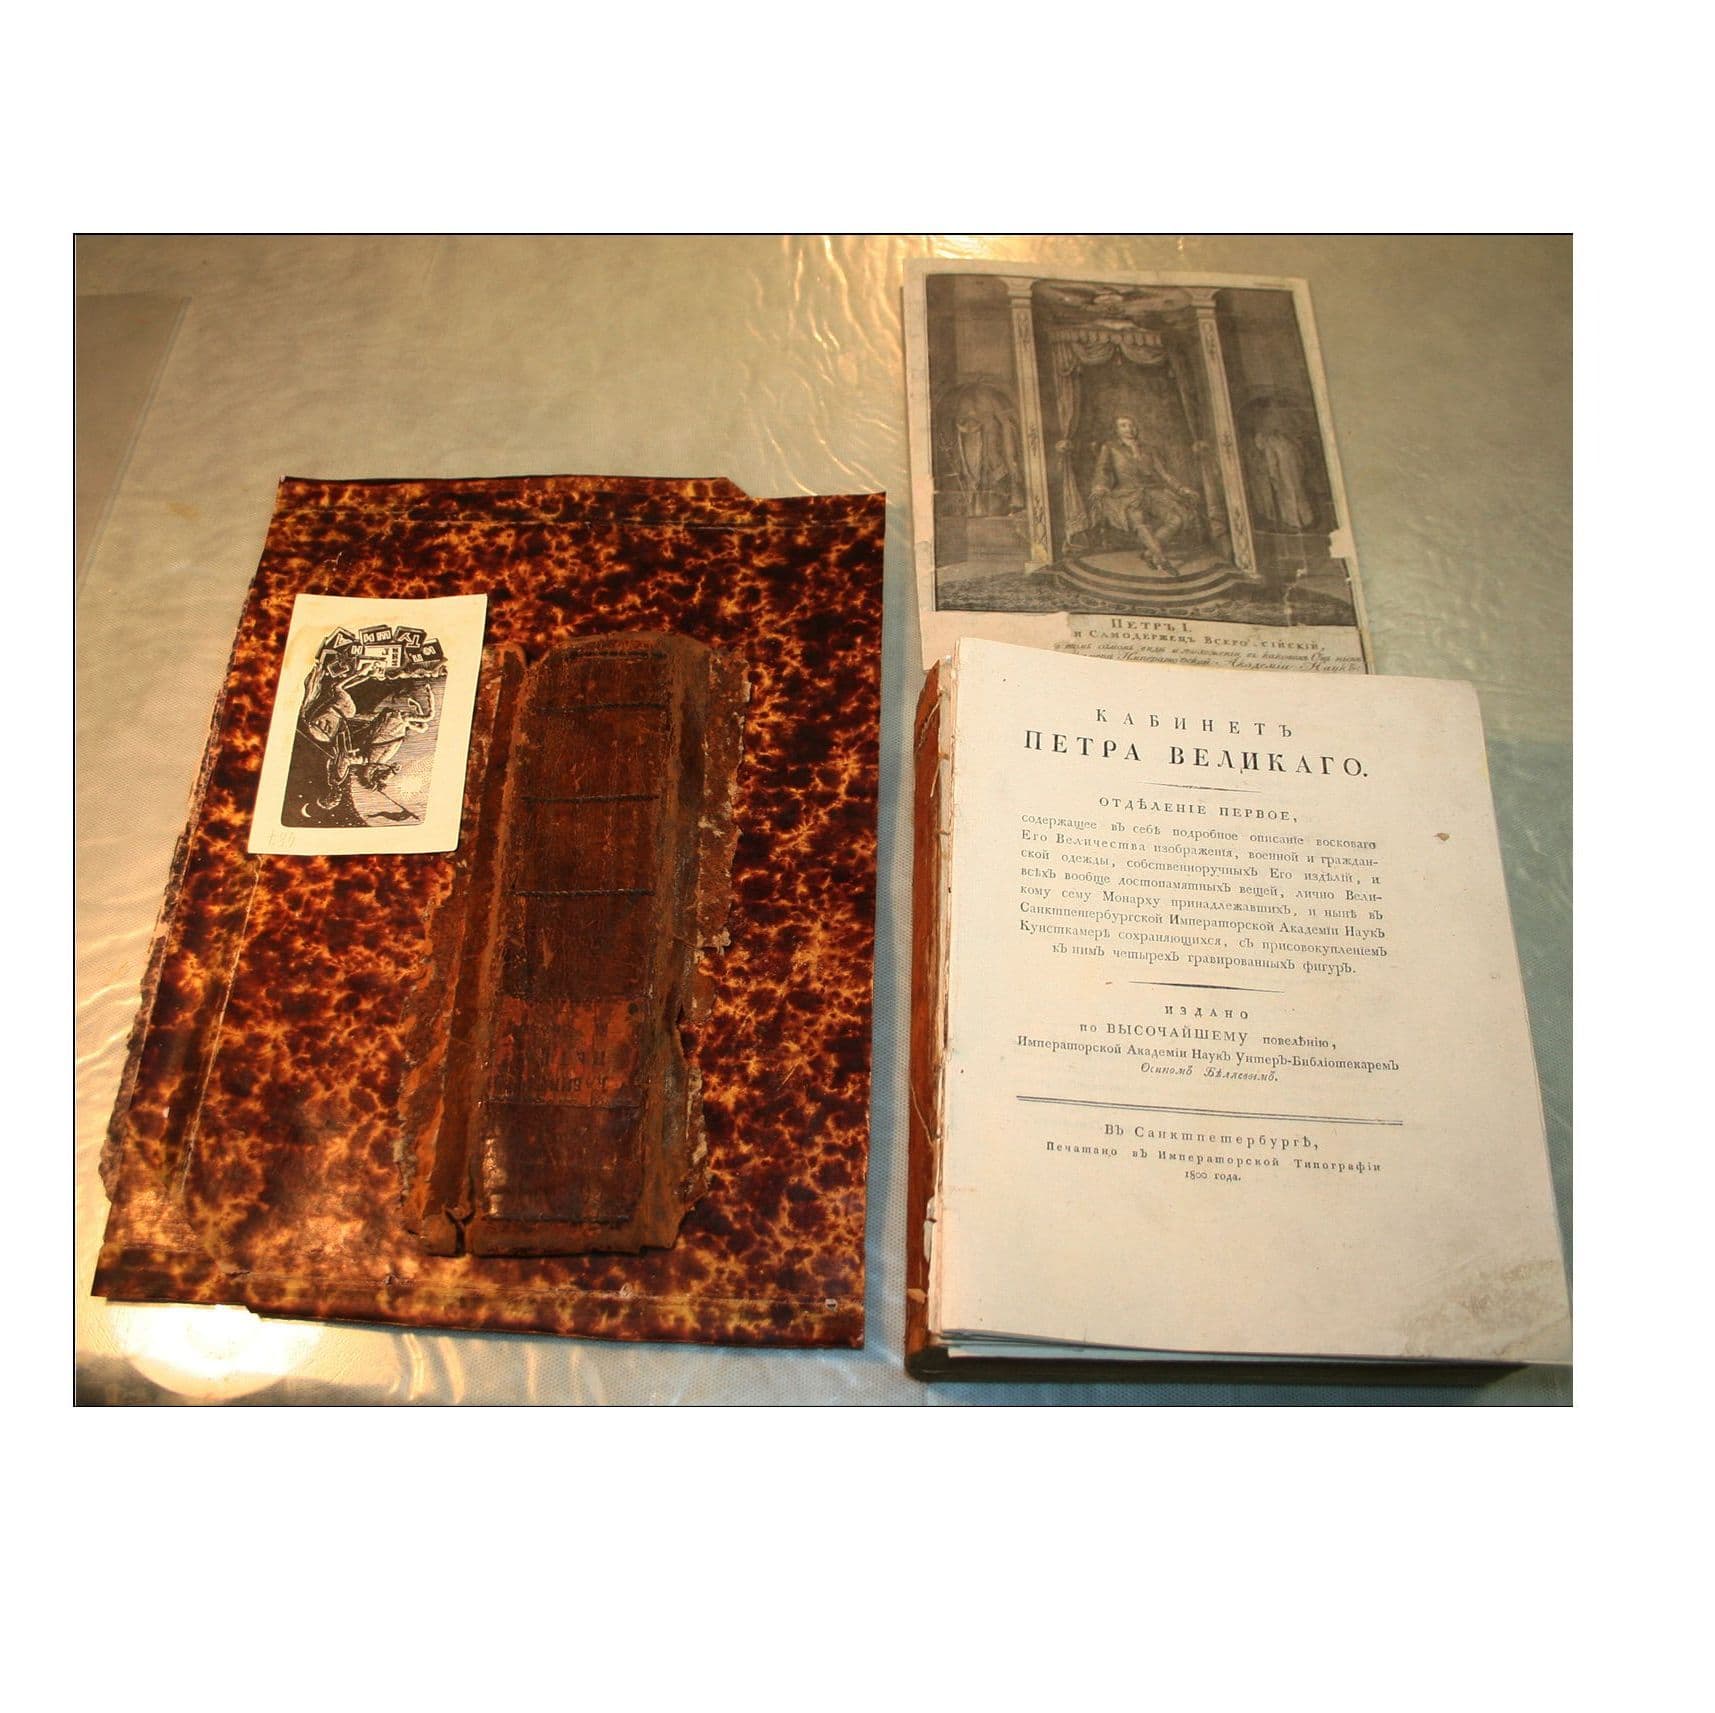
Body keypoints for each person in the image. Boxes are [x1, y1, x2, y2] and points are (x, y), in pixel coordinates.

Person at [1087, 415, 1201, 572]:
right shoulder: (1110, 447)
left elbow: (1164, 474)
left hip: (1152, 491)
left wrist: (1181, 489)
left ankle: (1149, 553)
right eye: (1123, 425)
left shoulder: (1149, 449)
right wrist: (1100, 486)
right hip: (1127, 494)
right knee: (1139, 521)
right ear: (1116, 430)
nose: (1129, 429)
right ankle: (1161, 559)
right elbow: (1102, 470)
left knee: (1176, 520)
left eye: (1131, 425)